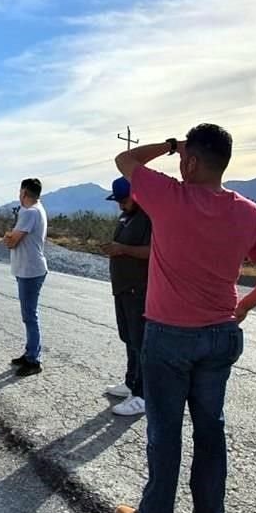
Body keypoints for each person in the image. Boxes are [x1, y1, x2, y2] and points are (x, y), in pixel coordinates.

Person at [112, 124, 256, 513]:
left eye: (182, 158)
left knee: (165, 430)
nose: (178, 164)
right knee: (211, 432)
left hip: (169, 337)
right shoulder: (249, 212)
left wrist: (171, 144)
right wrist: (246, 304)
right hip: (220, 336)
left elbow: (126, 162)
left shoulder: (169, 196)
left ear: (192, 161)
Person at [101, 177, 151, 416]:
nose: (121, 204)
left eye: (124, 199)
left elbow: (154, 251)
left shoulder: (149, 218)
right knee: (129, 338)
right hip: (122, 288)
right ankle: (131, 382)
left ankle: (142, 395)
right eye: (118, 201)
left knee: (140, 342)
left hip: (139, 289)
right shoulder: (126, 216)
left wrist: (122, 249)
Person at [3, 178, 49, 377]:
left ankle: (34, 360)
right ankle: (30, 352)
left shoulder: (29, 212)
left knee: (30, 315)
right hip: (28, 269)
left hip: (30, 271)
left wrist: (8, 237)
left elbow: (12, 242)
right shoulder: (37, 209)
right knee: (29, 314)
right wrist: (11, 237)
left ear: (23, 193)